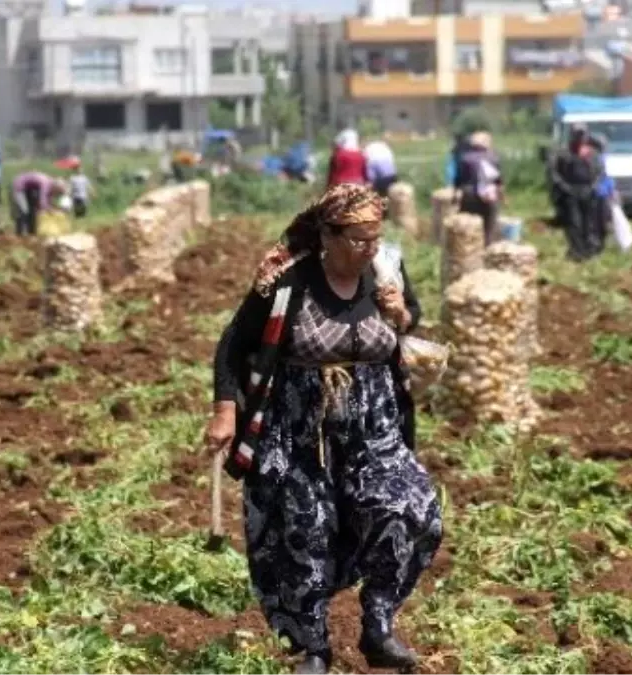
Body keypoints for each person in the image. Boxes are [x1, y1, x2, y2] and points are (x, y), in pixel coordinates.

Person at [205, 183, 442, 675]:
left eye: (375, 237)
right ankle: (310, 647)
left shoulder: (387, 269)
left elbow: (409, 320)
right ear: (327, 236)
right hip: (297, 425)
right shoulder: (287, 281)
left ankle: (378, 624)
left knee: (412, 509)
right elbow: (233, 343)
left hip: (373, 423)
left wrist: (400, 313)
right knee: (302, 529)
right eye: (358, 239)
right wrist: (226, 410)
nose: (369, 249)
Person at [549, 125, 604, 261]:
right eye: (577, 134)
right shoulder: (563, 153)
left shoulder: (592, 153)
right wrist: (564, 187)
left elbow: (600, 171)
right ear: (572, 135)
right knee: (574, 222)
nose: (580, 137)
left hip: (589, 191)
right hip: (570, 191)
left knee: (590, 223)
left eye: (582, 134)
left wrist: (594, 186)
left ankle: (589, 250)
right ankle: (576, 251)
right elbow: (554, 173)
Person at [453, 131, 503, 246]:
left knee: (467, 226)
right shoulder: (494, 157)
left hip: (469, 195)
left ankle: (468, 250)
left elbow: (458, 180)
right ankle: (487, 249)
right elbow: (498, 180)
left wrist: (455, 196)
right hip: (489, 197)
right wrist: (502, 196)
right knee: (489, 228)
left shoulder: (465, 158)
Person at [9, 171, 59, 237]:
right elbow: (42, 200)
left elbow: (49, 198)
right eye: (58, 191)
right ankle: (19, 233)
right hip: (19, 186)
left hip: (28, 189)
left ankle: (31, 232)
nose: (57, 194)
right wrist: (48, 209)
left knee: (32, 211)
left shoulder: (50, 185)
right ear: (55, 187)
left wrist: (50, 207)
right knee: (24, 210)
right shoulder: (46, 183)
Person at [587, 133, 614, 255]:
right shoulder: (592, 158)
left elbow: (608, 176)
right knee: (595, 221)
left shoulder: (604, 158)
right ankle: (595, 245)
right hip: (595, 193)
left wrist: (611, 191)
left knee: (603, 221)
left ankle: (600, 244)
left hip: (603, 193)